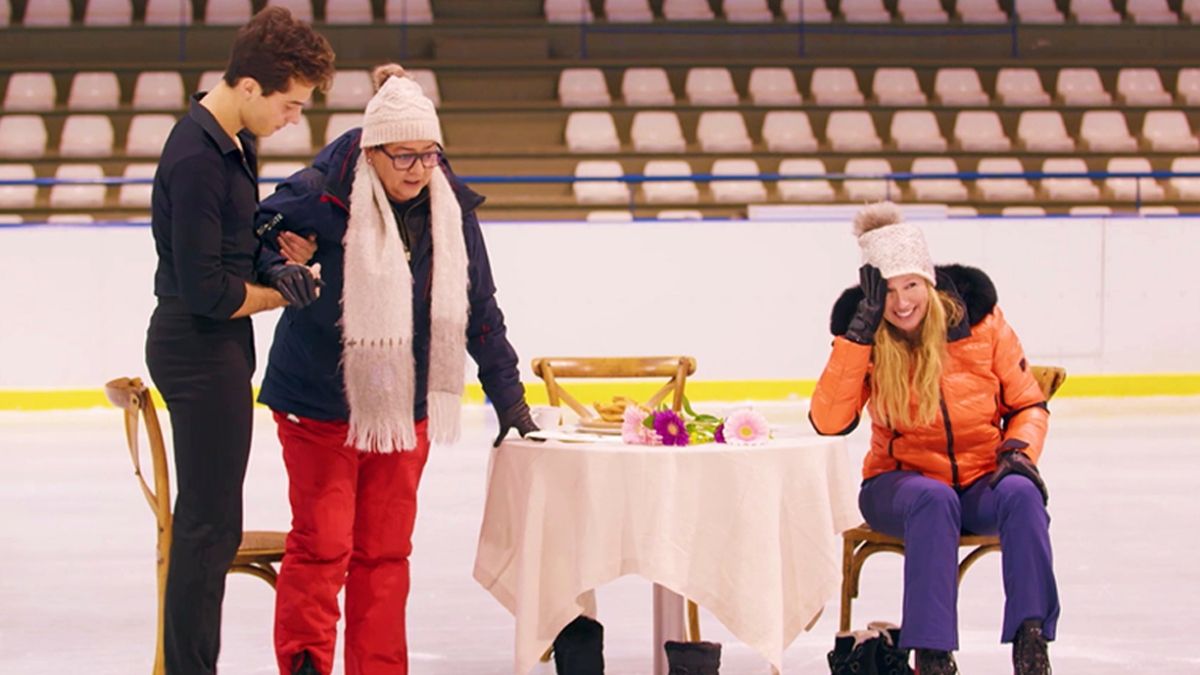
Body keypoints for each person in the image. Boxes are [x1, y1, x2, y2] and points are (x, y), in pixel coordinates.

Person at [254, 65, 537, 675]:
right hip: (319, 404)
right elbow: (252, 226)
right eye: (402, 155)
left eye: (428, 154)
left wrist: (510, 402)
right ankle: (305, 665)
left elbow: (478, 306)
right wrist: (276, 259)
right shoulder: (320, 196)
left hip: (404, 408)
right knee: (324, 545)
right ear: (371, 152)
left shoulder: (449, 211)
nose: (416, 168)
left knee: (384, 553)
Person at [143, 8, 334, 675]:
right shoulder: (197, 156)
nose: (293, 117)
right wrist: (282, 294)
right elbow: (208, 294)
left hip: (213, 348)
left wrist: (272, 262)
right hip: (197, 347)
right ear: (250, 86)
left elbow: (234, 247)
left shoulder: (231, 143)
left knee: (213, 521)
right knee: (207, 526)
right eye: (291, 102)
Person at [810, 203, 1059, 675]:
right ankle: (932, 655)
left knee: (1023, 494)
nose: (901, 302)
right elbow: (828, 421)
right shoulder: (867, 335)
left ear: (928, 281)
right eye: (886, 291)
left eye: (910, 286)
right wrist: (855, 340)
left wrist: (1018, 453)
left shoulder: (982, 325)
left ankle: (1031, 642)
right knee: (932, 499)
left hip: (981, 478)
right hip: (900, 485)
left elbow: (1028, 404)